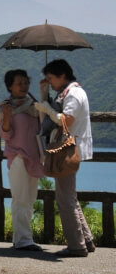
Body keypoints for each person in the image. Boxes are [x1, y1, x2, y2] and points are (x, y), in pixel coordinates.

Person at [34, 59, 95, 257]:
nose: (50, 82)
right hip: (70, 148)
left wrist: (47, 109)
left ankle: (77, 246)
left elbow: (66, 121)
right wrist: (45, 96)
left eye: (51, 78)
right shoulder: (70, 92)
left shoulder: (73, 95)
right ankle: (86, 240)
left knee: (64, 198)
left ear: (62, 76)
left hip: (66, 151)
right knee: (69, 196)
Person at [0, 69, 43, 251]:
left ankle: (21, 238)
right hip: (18, 157)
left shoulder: (34, 105)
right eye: (19, 83)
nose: (24, 86)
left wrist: (44, 103)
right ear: (10, 86)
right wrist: (7, 116)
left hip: (35, 157)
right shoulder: (5, 107)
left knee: (30, 199)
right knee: (20, 199)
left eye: (26, 82)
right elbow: (5, 135)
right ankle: (24, 240)